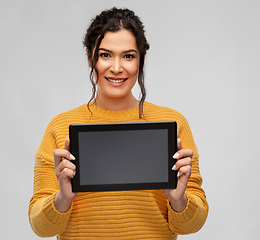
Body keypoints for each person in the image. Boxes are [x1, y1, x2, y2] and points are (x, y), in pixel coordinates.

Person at [29, 7, 208, 239]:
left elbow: (192, 226)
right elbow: (40, 228)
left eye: (128, 56)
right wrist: (62, 198)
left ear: (140, 59)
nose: (116, 67)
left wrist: (178, 199)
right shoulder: (60, 126)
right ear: (89, 57)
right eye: (105, 55)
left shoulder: (173, 123)